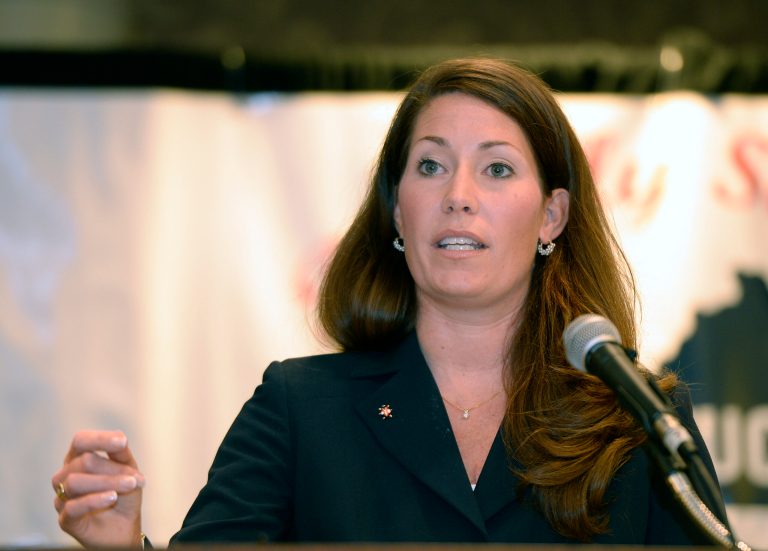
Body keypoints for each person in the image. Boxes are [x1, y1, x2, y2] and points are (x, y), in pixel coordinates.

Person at [52, 57, 725, 546]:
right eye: (430, 166)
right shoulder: (301, 407)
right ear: (398, 212)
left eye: (497, 168)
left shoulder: (637, 421)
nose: (458, 193)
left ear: (552, 216)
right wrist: (123, 543)